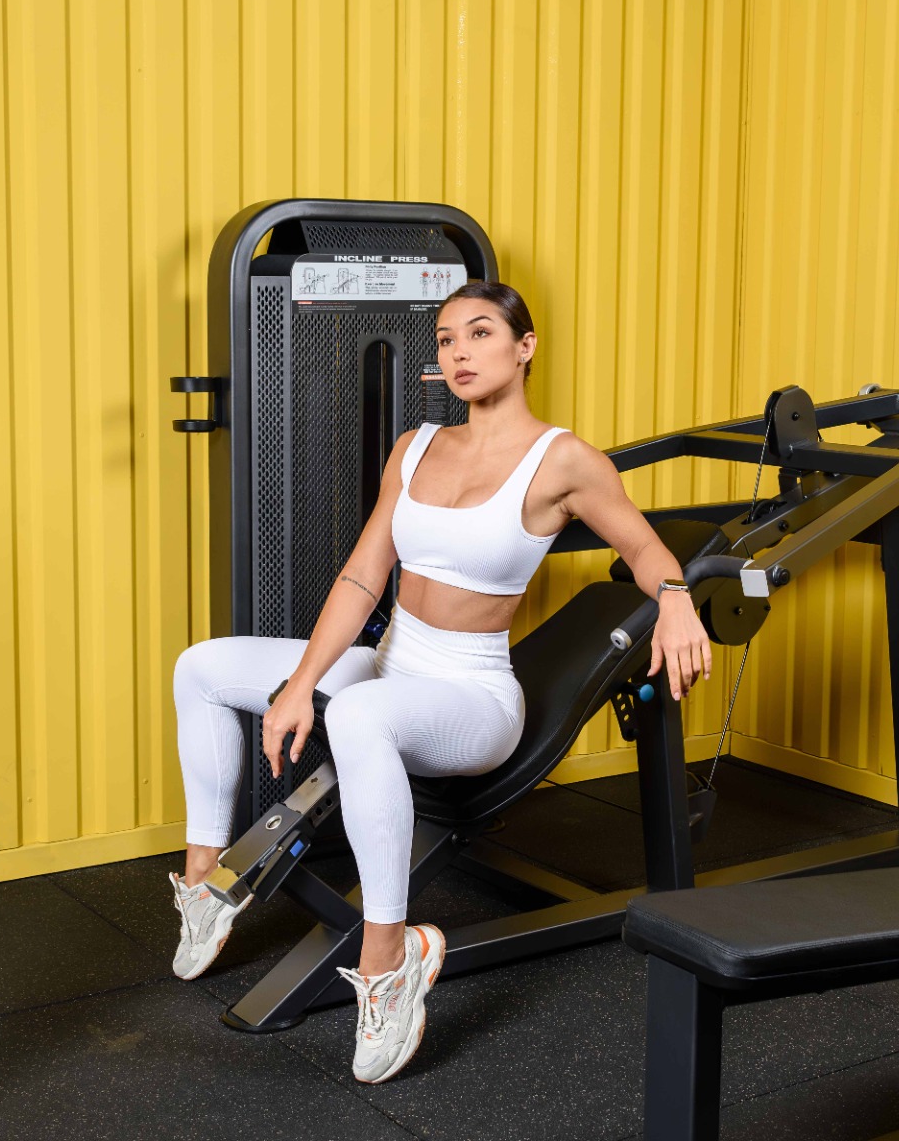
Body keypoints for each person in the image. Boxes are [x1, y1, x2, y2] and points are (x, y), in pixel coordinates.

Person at [170, 280, 713, 1083]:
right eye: (447, 338)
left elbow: (641, 546)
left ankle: (390, 961)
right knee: (202, 667)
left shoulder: (562, 460)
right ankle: (205, 883)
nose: (459, 352)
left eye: (480, 333)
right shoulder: (416, 446)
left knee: (358, 715)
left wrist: (675, 600)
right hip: (393, 661)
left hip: (473, 696)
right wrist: (299, 683)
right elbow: (363, 576)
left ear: (524, 347)